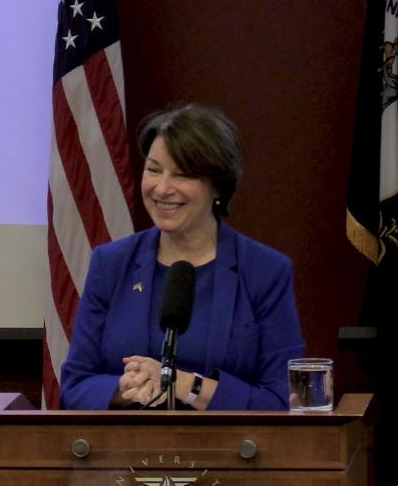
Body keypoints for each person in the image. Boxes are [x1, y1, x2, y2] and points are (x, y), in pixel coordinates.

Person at [59, 103, 304, 410]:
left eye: (182, 175)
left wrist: (185, 384)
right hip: (124, 452)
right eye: (154, 170)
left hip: (231, 452)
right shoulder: (112, 264)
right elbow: (75, 386)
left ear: (218, 185)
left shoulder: (265, 271)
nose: (162, 189)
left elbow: (283, 399)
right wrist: (123, 389)